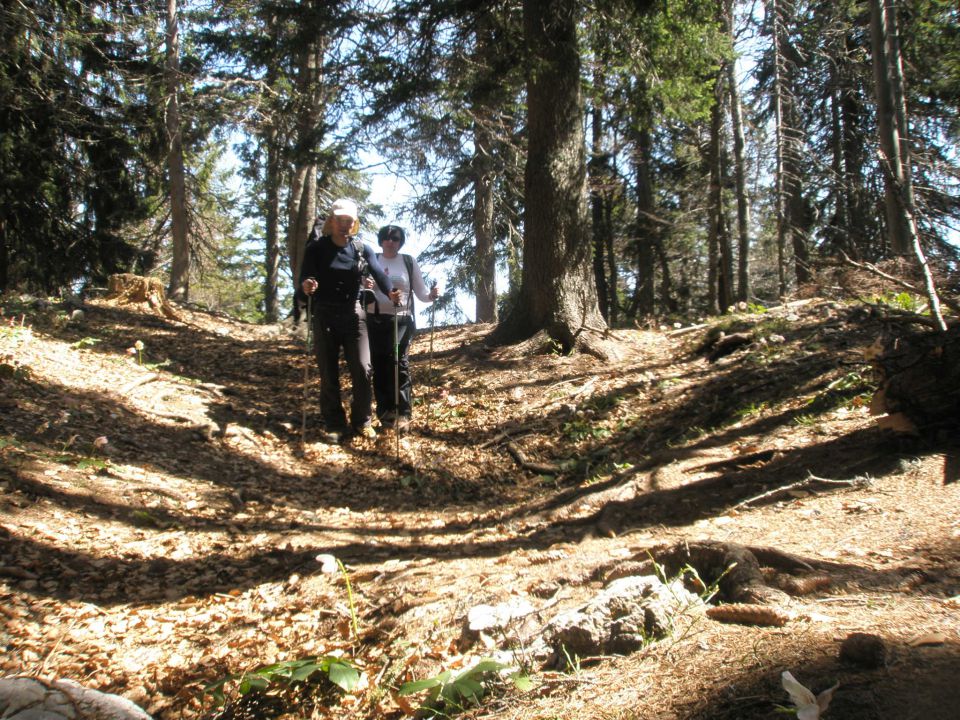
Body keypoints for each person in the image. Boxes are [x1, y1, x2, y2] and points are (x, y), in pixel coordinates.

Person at [298, 199, 400, 443]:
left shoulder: (361, 249)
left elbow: (377, 272)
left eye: (349, 221)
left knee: (364, 368)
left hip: (354, 313)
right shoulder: (317, 248)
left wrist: (390, 292)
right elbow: (304, 281)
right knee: (328, 371)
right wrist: (307, 286)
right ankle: (334, 423)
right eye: (340, 220)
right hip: (324, 313)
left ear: (354, 224)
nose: (345, 225)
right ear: (332, 222)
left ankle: (362, 420)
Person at [364, 224, 439, 429]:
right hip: (376, 319)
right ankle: (385, 412)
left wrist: (432, 295)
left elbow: (422, 293)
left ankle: (404, 413)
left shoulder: (408, 261)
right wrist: (364, 286)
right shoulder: (373, 260)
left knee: (399, 363)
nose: (390, 241)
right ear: (380, 240)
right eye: (386, 238)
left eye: (395, 238)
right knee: (379, 365)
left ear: (400, 241)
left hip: (402, 321)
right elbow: (364, 292)